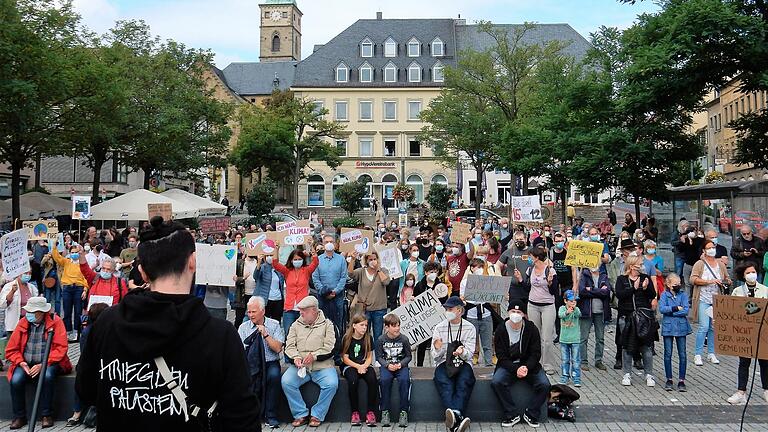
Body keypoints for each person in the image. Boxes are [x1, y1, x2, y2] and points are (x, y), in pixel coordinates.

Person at [76, 216, 260, 431]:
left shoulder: (107, 322)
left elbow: (85, 390)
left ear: (142, 271)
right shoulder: (220, 335)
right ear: (192, 262)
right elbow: (243, 416)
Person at [5, 296, 69, 429]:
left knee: (47, 376)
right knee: (16, 380)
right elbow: (11, 349)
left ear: (41, 312)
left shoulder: (55, 322)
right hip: (25, 362)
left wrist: (43, 364)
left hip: (50, 361)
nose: (28, 315)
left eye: (32, 312)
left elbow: (60, 348)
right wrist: (21, 362)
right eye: (28, 312)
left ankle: (46, 414)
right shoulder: (23, 322)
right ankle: (19, 416)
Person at [491, 299, 550, 428]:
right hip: (508, 366)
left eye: (519, 312)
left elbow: (536, 353)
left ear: (524, 314)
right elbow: (501, 355)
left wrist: (526, 367)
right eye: (513, 311)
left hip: (529, 366)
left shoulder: (531, 328)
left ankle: (531, 413)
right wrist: (514, 369)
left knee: (544, 384)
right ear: (508, 312)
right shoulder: (501, 329)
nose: (516, 314)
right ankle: (512, 414)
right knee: (497, 381)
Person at [281, 296, 338, 427]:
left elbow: (330, 347)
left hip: (322, 366)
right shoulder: (295, 324)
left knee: (332, 384)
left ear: (314, 311)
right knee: (286, 381)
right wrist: (295, 357)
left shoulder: (328, 325)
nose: (301, 314)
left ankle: (317, 414)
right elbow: (289, 345)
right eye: (300, 311)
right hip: (301, 367)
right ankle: (300, 413)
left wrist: (315, 356)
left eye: (304, 312)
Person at [238, 296, 284, 428]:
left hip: (270, 362)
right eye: (249, 312)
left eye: (253, 312)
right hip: (251, 363)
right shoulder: (243, 327)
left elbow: (278, 348)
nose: (250, 315)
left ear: (262, 311)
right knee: (248, 378)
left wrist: (266, 335)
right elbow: (239, 350)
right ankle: (252, 415)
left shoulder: (274, 325)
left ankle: (271, 416)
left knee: (274, 376)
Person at [432, 296, 475, 432]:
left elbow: (470, 354)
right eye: (446, 309)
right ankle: (458, 417)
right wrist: (439, 348)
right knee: (445, 383)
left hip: (463, 363)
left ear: (459, 310)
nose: (447, 311)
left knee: (464, 382)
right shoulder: (439, 327)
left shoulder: (470, 327)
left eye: (450, 309)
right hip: (444, 362)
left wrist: (461, 352)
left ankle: (454, 418)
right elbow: (434, 356)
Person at [727, 263, 768, 404]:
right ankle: (741, 391)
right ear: (743, 276)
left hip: (762, 333)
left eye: (753, 272)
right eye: (748, 272)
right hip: (744, 334)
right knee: (744, 362)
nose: (752, 274)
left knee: (765, 362)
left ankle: (766, 390)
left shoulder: (765, 290)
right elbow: (730, 312)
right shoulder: (738, 291)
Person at [614, 256, 657, 386]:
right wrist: (634, 288)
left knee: (646, 346)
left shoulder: (646, 278)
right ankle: (627, 373)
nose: (642, 266)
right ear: (632, 266)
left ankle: (649, 374)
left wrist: (645, 288)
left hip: (643, 317)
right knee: (627, 346)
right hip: (626, 316)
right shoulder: (621, 279)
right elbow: (619, 295)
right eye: (640, 264)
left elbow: (652, 295)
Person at [66, 302, 108, 427]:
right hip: (90, 363)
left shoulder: (109, 329)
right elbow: (86, 354)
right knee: (82, 377)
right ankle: (77, 412)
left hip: (104, 363)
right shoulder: (88, 332)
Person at [691, 240, 730, 366]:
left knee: (714, 327)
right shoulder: (699, 264)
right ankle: (698, 354)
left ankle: (711, 353)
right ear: (704, 251)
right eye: (708, 248)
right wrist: (709, 281)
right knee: (704, 327)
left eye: (713, 247)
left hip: (716, 300)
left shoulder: (720, 264)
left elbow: (726, 277)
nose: (712, 250)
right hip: (703, 298)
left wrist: (727, 281)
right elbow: (693, 279)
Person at [522, 246, 559, 375]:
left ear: (536, 257)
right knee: (535, 336)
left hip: (547, 305)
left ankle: (548, 364)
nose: (529, 259)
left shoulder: (550, 270)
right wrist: (521, 280)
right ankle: (534, 362)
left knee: (547, 338)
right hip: (533, 305)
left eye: (531, 257)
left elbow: (555, 291)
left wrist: (550, 283)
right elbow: (527, 287)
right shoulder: (530, 269)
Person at [273, 247, 319, 336]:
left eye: (299, 259)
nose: (297, 261)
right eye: (295, 259)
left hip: (303, 309)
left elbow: (315, 262)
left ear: (303, 260)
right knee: (288, 334)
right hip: (289, 309)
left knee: (303, 335)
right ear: (291, 260)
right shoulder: (287, 271)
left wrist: (311, 247)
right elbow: (275, 264)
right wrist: (277, 249)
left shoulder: (306, 271)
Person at [376, 313, 412, 428]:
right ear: (386, 327)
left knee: (404, 381)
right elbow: (379, 357)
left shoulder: (404, 339)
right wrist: (386, 365)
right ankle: (385, 411)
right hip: (387, 367)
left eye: (398, 326)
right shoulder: (381, 339)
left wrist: (401, 364)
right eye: (394, 326)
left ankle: (404, 411)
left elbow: (408, 356)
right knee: (384, 381)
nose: (397, 328)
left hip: (401, 367)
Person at [341, 315, 377, 426]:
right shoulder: (347, 338)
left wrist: (364, 366)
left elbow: (370, 357)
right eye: (361, 325)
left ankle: (370, 412)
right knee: (353, 380)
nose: (364, 328)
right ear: (354, 325)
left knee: (372, 379)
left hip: (364, 364)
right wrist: (358, 367)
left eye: (366, 325)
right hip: (350, 365)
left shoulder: (368, 338)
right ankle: (355, 412)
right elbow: (345, 358)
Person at [459, 258, 496, 367]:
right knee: (470, 343)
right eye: (477, 267)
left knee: (487, 343)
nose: (479, 269)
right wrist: (463, 299)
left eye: (481, 267)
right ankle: (469, 365)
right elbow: (463, 298)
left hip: (486, 314)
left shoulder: (488, 280)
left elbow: (494, 296)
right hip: (472, 315)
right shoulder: (465, 282)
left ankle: (489, 365)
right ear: (471, 268)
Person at [51, 237, 88, 342]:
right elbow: (56, 257)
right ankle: (68, 332)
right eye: (72, 252)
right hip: (67, 287)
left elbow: (86, 277)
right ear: (70, 253)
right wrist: (54, 246)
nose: (74, 254)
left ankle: (77, 332)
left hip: (79, 288)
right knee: (67, 312)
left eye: (76, 252)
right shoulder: (66, 262)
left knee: (77, 312)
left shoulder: (82, 264)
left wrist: (85, 289)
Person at [348, 252, 390, 343]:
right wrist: (352, 259)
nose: (373, 261)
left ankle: (378, 356)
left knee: (378, 336)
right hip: (364, 309)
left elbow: (386, 282)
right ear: (366, 261)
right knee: (363, 335)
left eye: (375, 259)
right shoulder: (361, 272)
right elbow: (350, 274)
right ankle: (366, 355)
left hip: (379, 309)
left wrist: (378, 270)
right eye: (370, 259)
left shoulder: (383, 270)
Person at [658, 273, 690, 392]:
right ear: (669, 284)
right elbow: (662, 309)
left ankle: (682, 380)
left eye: (679, 284)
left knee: (682, 354)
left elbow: (686, 310)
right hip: (668, 327)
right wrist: (676, 308)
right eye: (675, 284)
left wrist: (671, 312)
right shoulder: (664, 295)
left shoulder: (683, 295)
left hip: (681, 327)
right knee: (668, 354)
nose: (678, 286)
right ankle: (669, 379)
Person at [577, 265, 612, 371]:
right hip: (587, 311)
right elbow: (582, 291)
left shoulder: (603, 276)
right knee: (583, 338)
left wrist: (591, 290)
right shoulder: (584, 275)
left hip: (601, 311)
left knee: (600, 338)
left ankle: (598, 360)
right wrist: (598, 291)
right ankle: (583, 361)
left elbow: (606, 292)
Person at [312, 235, 348, 332]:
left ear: (335, 244)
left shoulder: (341, 259)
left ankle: (338, 344)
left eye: (331, 242)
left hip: (338, 296)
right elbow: (315, 278)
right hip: (322, 296)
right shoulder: (317, 260)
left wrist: (335, 291)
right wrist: (324, 291)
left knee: (337, 322)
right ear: (323, 244)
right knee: (321, 322)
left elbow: (343, 277)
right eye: (326, 242)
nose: (329, 244)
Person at [0, 270, 39, 336]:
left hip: (28, 323)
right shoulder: (9, 286)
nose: (28, 275)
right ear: (19, 273)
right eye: (26, 273)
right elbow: (3, 305)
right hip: (14, 323)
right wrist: (12, 291)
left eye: (30, 273)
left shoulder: (32, 287)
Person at [497, 231, 531, 303]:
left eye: (521, 239)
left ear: (526, 239)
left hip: (529, 287)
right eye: (517, 240)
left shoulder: (532, 251)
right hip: (513, 287)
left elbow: (546, 262)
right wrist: (500, 278)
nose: (519, 241)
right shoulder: (509, 252)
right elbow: (497, 266)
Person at [558, 290, 581, 386]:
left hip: (575, 339)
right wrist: (567, 312)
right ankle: (565, 376)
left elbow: (578, 315)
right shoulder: (562, 308)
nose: (573, 303)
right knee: (565, 360)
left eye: (575, 301)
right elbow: (560, 315)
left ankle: (576, 377)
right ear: (565, 301)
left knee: (575, 360)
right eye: (571, 301)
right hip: (564, 339)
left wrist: (574, 309)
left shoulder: (577, 309)